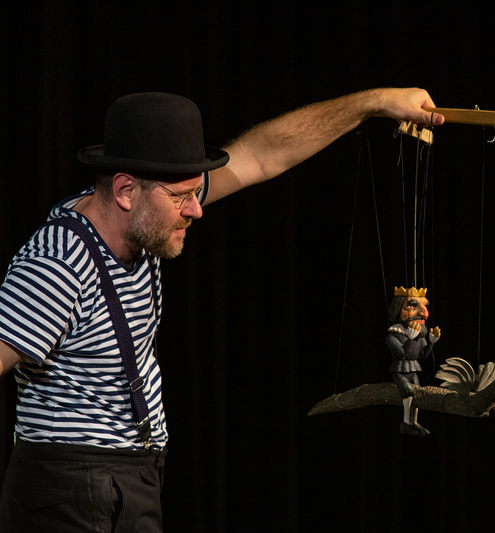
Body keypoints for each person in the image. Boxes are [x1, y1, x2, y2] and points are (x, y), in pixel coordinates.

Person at [0, 88, 445, 532]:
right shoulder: (57, 264)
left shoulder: (141, 215)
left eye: (197, 192)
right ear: (125, 191)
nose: (196, 210)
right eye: (182, 197)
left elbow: (262, 155)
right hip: (70, 489)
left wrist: (374, 103)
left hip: (128, 479)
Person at [385, 286, 441, 437]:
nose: (424, 313)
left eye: (424, 306)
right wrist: (410, 339)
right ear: (398, 309)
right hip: (400, 371)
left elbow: (423, 355)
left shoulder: (419, 334)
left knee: (417, 393)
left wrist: (431, 342)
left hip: (413, 369)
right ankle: (405, 422)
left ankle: (414, 422)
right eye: (412, 306)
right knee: (408, 392)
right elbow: (401, 355)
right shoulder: (394, 334)